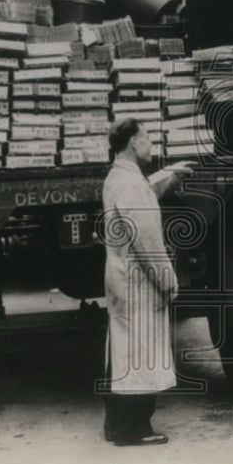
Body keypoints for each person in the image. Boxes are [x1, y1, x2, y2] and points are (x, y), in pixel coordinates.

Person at [100, 119, 187, 446]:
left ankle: (116, 426)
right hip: (139, 281)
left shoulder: (117, 177)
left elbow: (142, 192)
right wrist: (168, 282)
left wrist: (169, 175)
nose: (152, 144)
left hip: (121, 276)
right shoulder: (131, 185)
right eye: (148, 138)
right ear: (133, 144)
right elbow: (149, 243)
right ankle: (133, 429)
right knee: (139, 356)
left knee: (122, 355)